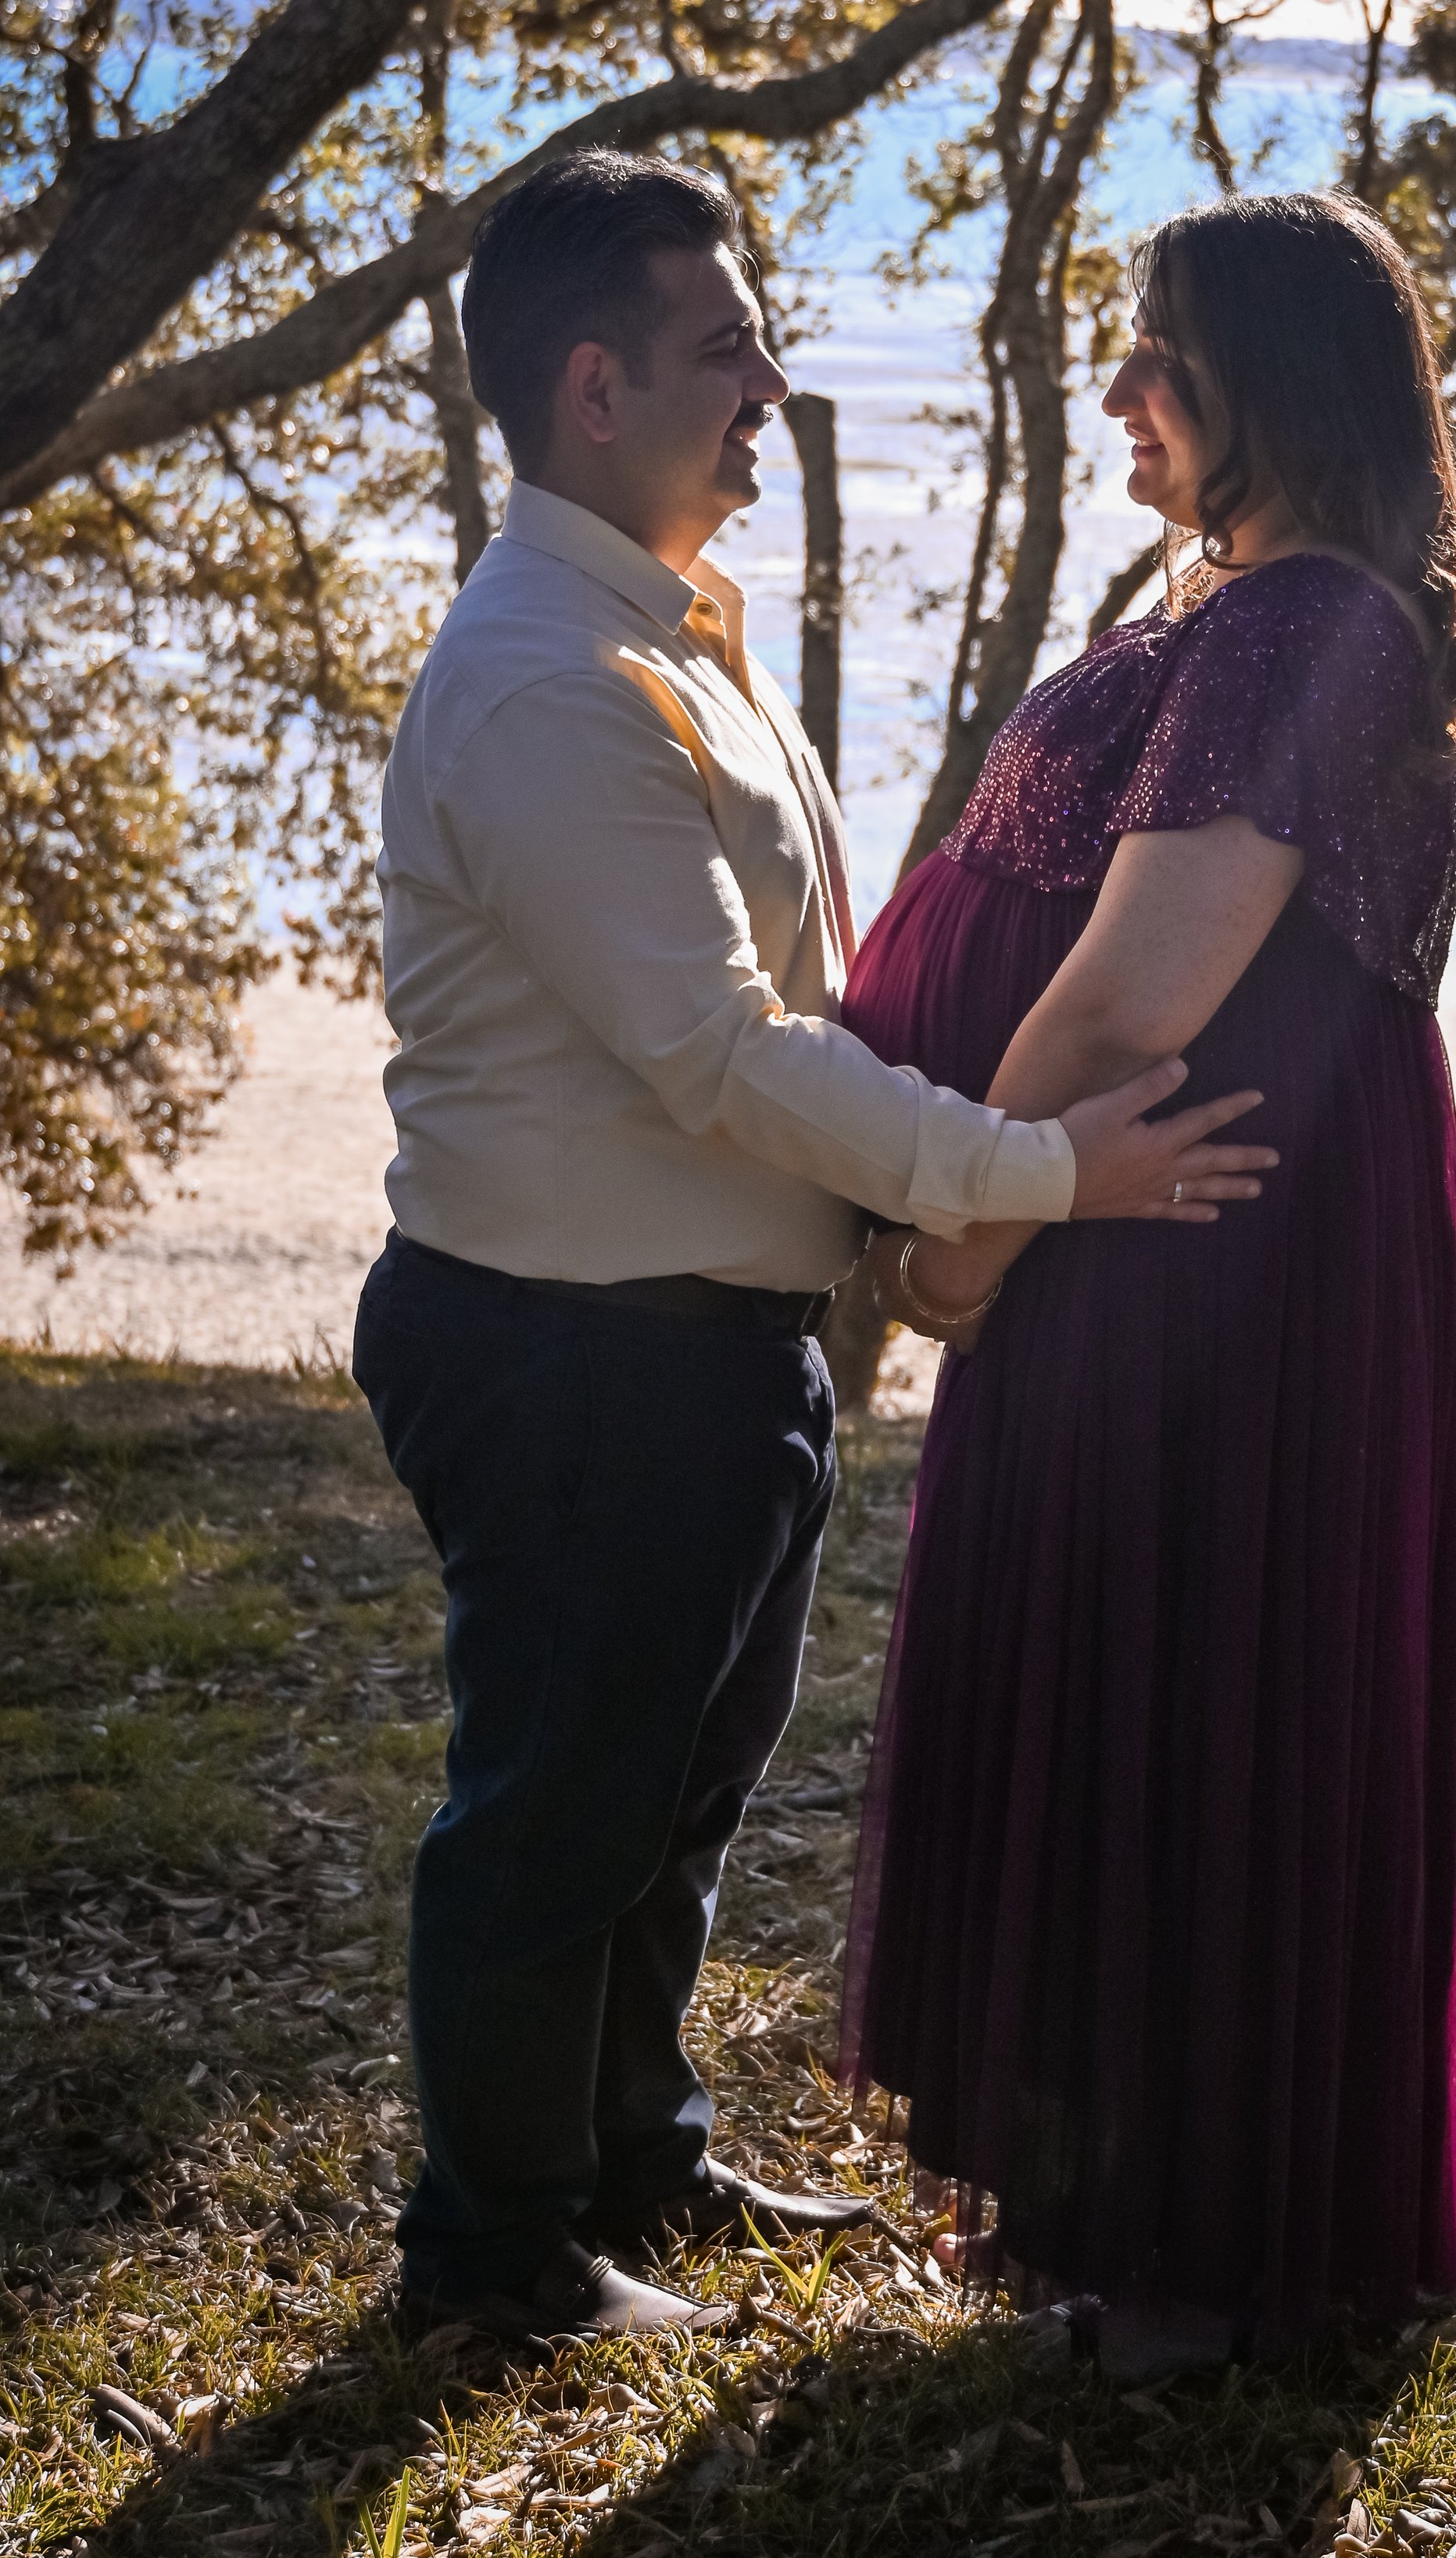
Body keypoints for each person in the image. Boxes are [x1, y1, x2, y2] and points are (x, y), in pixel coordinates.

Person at [351, 149, 1277, 2349]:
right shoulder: (547, 683)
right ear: (592, 388)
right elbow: (723, 1053)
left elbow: (786, 1005)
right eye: (723, 349)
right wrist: (1032, 1171)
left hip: (705, 1337)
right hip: (573, 1342)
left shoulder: (668, 632)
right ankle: (491, 2260)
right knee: (556, 1810)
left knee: (673, 1793)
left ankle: (635, 2164)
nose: (769, 384)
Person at [839, 191, 1456, 2379]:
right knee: (1144, 1679)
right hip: (1157, 1225)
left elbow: (1131, 990)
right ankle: (1122, 2219)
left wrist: (960, 1232)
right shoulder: (1266, 606)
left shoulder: (1297, 625)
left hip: (1182, 1246)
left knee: (1186, 1685)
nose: (1123, 388)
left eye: (1164, 354)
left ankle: (1192, 2255)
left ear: (1278, 382)